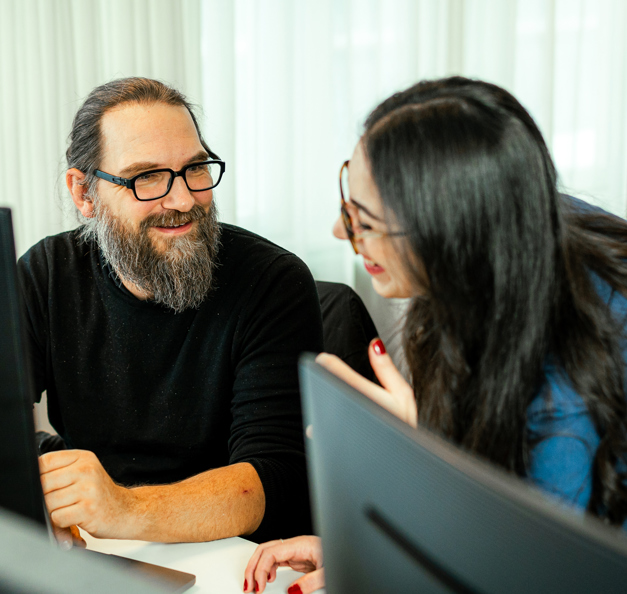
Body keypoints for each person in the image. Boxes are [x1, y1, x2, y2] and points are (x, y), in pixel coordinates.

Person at [243, 76, 627, 594]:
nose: (341, 233)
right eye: (347, 202)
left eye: (366, 222)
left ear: (445, 229)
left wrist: (424, 478)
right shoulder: (504, 227)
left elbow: (536, 573)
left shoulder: (566, 399)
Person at [17, 77, 323, 547]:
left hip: (235, 551)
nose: (182, 200)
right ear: (84, 194)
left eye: (195, 168)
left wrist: (122, 506)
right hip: (99, 544)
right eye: (147, 177)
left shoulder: (272, 281)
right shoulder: (47, 273)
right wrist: (51, 477)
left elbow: (274, 478)